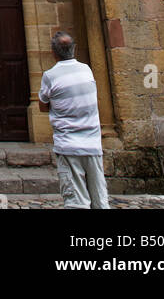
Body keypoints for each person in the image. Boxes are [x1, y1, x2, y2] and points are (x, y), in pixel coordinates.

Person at [38, 30, 110, 210]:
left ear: (53, 52)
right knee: (100, 201)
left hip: (69, 145)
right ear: (74, 49)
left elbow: (42, 105)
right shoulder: (87, 70)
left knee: (76, 202)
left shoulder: (50, 76)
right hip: (93, 145)